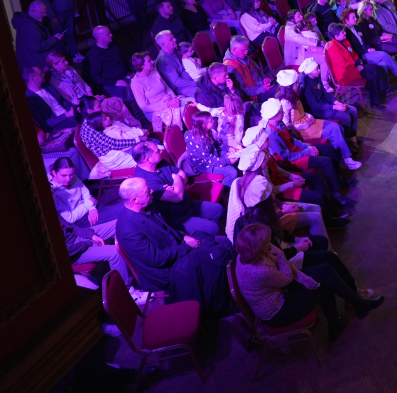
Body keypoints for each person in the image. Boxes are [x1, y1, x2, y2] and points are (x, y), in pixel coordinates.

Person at [234, 223, 383, 340]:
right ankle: (347, 314)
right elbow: (286, 278)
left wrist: (303, 277)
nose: (270, 242)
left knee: (324, 270)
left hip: (281, 293)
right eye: (267, 241)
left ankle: (353, 308)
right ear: (258, 248)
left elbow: (285, 266)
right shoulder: (259, 271)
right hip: (278, 312)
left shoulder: (248, 255)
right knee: (325, 282)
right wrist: (279, 253)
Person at [116, 177, 234, 316]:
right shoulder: (128, 229)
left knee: (223, 241)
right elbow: (157, 259)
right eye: (147, 191)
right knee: (217, 253)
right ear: (135, 200)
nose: (152, 191)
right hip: (164, 269)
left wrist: (184, 236)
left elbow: (167, 229)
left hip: (175, 249)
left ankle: (230, 287)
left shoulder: (147, 207)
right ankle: (220, 304)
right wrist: (188, 247)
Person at [263, 98, 355, 208]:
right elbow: (286, 157)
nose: (283, 112)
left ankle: (339, 181)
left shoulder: (279, 122)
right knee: (325, 162)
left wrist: (307, 146)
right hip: (291, 159)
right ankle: (336, 195)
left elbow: (292, 140)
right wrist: (307, 152)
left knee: (330, 150)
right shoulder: (272, 134)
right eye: (280, 111)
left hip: (296, 151)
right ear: (273, 115)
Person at [131, 142, 224, 235]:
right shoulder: (145, 181)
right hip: (175, 217)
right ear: (148, 159)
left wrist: (176, 187)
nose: (161, 151)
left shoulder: (159, 162)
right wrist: (177, 178)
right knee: (213, 228)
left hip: (186, 204)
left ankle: (205, 237)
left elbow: (183, 176)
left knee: (218, 210)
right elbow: (178, 197)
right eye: (157, 151)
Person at [276, 68, 361, 168]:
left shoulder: (293, 95)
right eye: (295, 83)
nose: (298, 85)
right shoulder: (285, 103)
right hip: (301, 130)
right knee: (334, 129)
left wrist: (309, 116)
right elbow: (287, 125)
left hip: (307, 121)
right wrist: (304, 125)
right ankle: (347, 160)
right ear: (289, 87)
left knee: (339, 128)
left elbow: (301, 111)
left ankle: (340, 155)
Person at [324, 23, 390, 110]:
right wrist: (356, 64)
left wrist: (358, 64)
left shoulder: (345, 41)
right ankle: (385, 88)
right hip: (345, 74)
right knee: (374, 68)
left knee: (372, 74)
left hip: (353, 68)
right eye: (343, 32)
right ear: (336, 36)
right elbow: (343, 65)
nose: (345, 33)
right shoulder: (333, 48)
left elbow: (354, 54)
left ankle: (375, 102)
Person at [297, 57, 360, 139]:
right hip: (319, 111)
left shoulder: (317, 77)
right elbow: (315, 106)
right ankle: (346, 140)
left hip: (327, 104)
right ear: (310, 72)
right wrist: (334, 107)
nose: (319, 70)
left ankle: (352, 138)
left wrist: (336, 102)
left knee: (353, 110)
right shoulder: (305, 87)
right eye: (317, 69)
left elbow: (325, 93)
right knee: (346, 117)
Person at [340, 8, 397, 79]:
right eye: (353, 17)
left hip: (367, 51)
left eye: (355, 16)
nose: (356, 18)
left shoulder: (356, 27)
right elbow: (352, 49)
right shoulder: (345, 32)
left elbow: (365, 41)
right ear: (347, 20)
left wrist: (369, 48)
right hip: (361, 56)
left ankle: (385, 85)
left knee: (383, 64)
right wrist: (367, 51)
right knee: (383, 55)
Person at [80, 111, 145, 178]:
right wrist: (137, 139)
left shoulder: (91, 123)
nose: (108, 117)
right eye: (105, 119)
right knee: (144, 160)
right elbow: (115, 144)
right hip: (114, 159)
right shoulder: (97, 133)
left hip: (119, 152)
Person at [130, 51, 184, 130]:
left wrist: (174, 98)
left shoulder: (154, 71)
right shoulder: (136, 83)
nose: (153, 62)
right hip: (154, 110)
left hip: (169, 100)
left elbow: (167, 88)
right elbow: (145, 107)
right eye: (149, 61)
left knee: (192, 102)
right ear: (141, 65)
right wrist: (167, 105)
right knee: (186, 111)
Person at [184, 111, 239, 186]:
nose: (213, 121)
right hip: (204, 165)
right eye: (210, 121)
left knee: (235, 156)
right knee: (232, 172)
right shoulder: (199, 142)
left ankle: (235, 182)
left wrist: (229, 148)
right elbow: (209, 160)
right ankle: (225, 189)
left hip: (213, 153)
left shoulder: (206, 131)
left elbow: (215, 143)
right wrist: (227, 161)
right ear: (203, 125)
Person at [13, 0, 66, 70]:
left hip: (35, 61)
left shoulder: (30, 21)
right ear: (33, 11)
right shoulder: (30, 26)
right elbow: (36, 47)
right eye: (42, 12)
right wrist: (54, 39)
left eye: (45, 12)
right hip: (36, 65)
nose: (45, 14)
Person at [223, 35, 276, 102]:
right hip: (254, 97)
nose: (247, 52)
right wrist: (262, 89)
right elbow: (241, 91)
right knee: (281, 92)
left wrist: (264, 78)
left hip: (262, 86)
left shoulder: (244, 57)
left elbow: (259, 71)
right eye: (244, 50)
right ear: (235, 49)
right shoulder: (229, 66)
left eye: (247, 49)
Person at [24, 66, 77, 133]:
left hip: (68, 114)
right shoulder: (30, 99)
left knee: (87, 109)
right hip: (57, 124)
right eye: (40, 74)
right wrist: (67, 115)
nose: (43, 74)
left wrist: (73, 109)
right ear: (33, 79)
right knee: (82, 119)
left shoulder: (47, 86)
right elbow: (45, 124)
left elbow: (62, 101)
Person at [155, 30, 198, 97]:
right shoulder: (164, 61)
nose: (175, 39)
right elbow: (177, 82)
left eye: (173, 37)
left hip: (192, 79)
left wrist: (194, 61)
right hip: (183, 88)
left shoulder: (175, 49)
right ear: (163, 44)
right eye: (171, 39)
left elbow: (185, 62)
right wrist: (197, 83)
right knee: (205, 92)